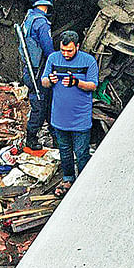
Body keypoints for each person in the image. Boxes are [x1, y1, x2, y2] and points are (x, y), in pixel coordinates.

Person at [40, 30, 98, 197]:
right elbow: (44, 81)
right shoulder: (53, 58)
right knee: (64, 150)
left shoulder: (88, 61)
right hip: (59, 116)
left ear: (77, 47)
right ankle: (68, 178)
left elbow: (93, 85)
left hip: (80, 117)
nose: (65, 54)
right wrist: (49, 80)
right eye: (63, 50)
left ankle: (84, 182)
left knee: (81, 152)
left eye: (69, 51)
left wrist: (77, 82)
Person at [19, 0, 55, 152]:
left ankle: (55, 136)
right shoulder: (41, 23)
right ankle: (31, 139)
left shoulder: (30, 17)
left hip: (30, 69)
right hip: (39, 72)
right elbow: (49, 51)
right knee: (40, 106)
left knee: (46, 104)